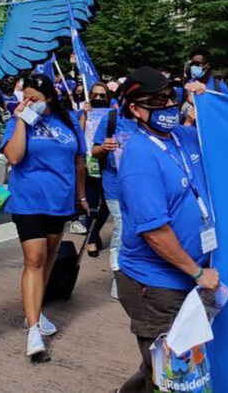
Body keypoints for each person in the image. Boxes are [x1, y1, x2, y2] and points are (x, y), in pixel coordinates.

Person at [114, 67, 221, 393]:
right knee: (175, 374)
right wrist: (197, 273)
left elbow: (222, 132)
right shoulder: (139, 158)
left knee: (166, 362)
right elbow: (155, 232)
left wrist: (207, 101)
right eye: (156, 101)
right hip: (157, 285)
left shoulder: (182, 138)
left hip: (189, 277)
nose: (167, 106)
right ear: (135, 109)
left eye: (170, 98)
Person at [1, 74, 88, 360]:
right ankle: (33, 329)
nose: (27, 103)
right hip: (28, 199)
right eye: (24, 97)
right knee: (34, 258)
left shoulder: (69, 120)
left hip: (60, 199)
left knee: (49, 256)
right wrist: (23, 121)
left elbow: (79, 161)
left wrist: (82, 196)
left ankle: (34, 311)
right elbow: (13, 157)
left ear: (49, 97)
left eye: (34, 99)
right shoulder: (17, 122)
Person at [91, 82, 136, 300]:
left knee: (137, 230)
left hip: (140, 187)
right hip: (114, 186)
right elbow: (94, 151)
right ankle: (118, 277)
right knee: (121, 228)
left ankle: (135, 274)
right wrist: (104, 147)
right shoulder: (110, 119)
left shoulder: (145, 120)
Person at [82, 82, 113, 258]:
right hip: (89, 161)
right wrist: (84, 115)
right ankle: (92, 238)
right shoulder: (83, 112)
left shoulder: (113, 115)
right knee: (91, 203)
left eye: (102, 95)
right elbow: (79, 133)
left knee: (108, 204)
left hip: (108, 162)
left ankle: (94, 230)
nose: (98, 98)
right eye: (95, 95)